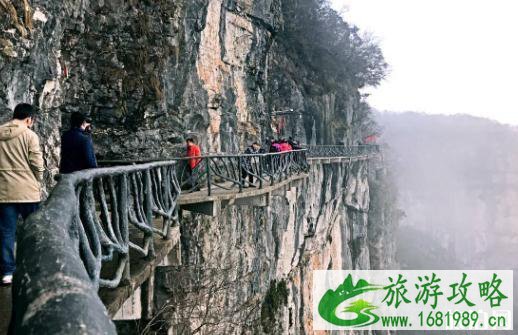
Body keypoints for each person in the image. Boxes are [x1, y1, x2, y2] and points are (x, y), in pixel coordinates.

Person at [0, 103, 44, 286]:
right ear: (28, 119)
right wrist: (38, 178)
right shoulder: (29, 135)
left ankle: (7, 272)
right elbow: (36, 162)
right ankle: (33, 266)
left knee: (6, 233)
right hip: (28, 192)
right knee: (33, 229)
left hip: (4, 191)